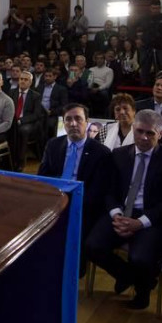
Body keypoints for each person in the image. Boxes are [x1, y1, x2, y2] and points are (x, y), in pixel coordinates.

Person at [86, 110, 162, 309]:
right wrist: (117, 215)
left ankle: (142, 292)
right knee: (91, 246)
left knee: (140, 257)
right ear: (133, 129)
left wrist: (140, 223)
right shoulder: (119, 154)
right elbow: (109, 191)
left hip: (150, 217)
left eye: (150, 133)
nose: (144, 137)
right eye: (139, 131)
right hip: (120, 212)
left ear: (160, 134)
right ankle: (137, 279)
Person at [39, 103, 114, 274]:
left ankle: (73, 271)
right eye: (68, 120)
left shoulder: (101, 153)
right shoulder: (53, 145)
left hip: (83, 206)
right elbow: (43, 177)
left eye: (78, 119)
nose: (73, 124)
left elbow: (98, 192)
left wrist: (70, 205)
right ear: (63, 123)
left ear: (87, 122)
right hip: (54, 201)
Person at [10, 70, 46, 166]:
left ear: (30, 82)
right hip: (12, 120)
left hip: (28, 122)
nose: (22, 81)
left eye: (26, 79)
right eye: (21, 79)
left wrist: (21, 120)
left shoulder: (36, 96)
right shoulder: (11, 93)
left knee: (23, 131)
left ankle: (20, 161)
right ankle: (9, 158)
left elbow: (37, 114)